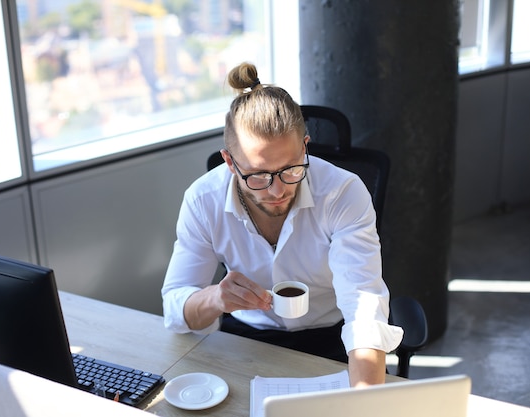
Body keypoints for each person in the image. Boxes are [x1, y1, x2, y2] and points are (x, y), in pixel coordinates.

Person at [161, 62, 403, 387]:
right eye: (259, 175)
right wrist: (216, 298)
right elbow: (176, 307)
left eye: (290, 168)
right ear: (230, 163)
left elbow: (362, 302)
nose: (278, 191)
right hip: (246, 336)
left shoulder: (343, 192)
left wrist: (365, 399)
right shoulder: (203, 200)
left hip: (330, 337)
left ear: (305, 145)